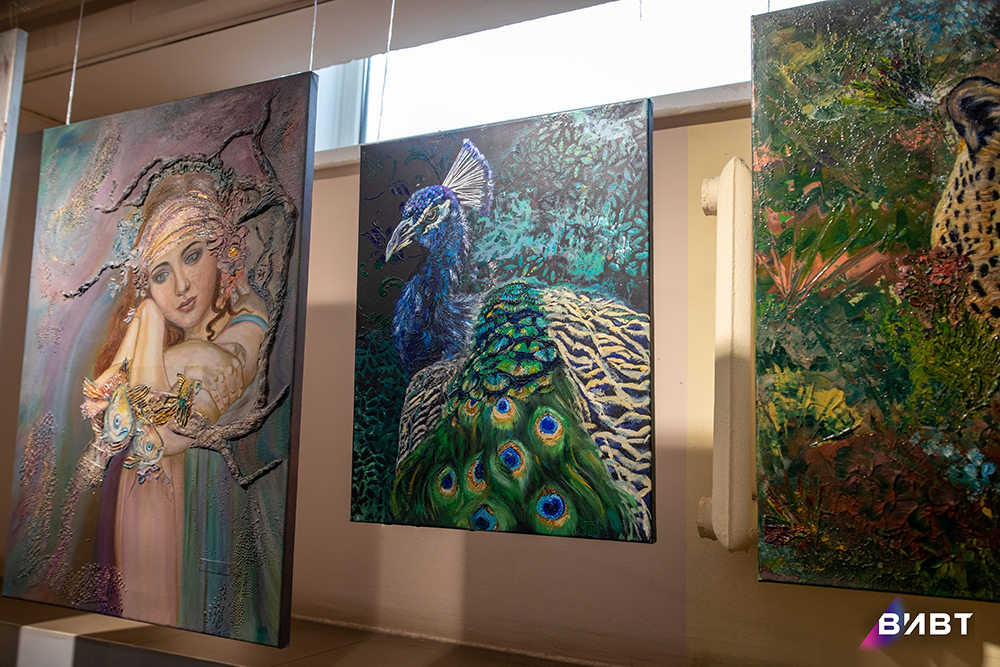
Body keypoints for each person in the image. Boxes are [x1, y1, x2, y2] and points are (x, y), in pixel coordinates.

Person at [80, 171, 267, 625]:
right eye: (162, 274)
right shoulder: (167, 337)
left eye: (192, 255)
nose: (181, 287)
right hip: (149, 494)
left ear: (222, 248)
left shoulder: (247, 322)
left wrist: (151, 335)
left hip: (198, 512)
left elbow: (170, 429)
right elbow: (110, 394)